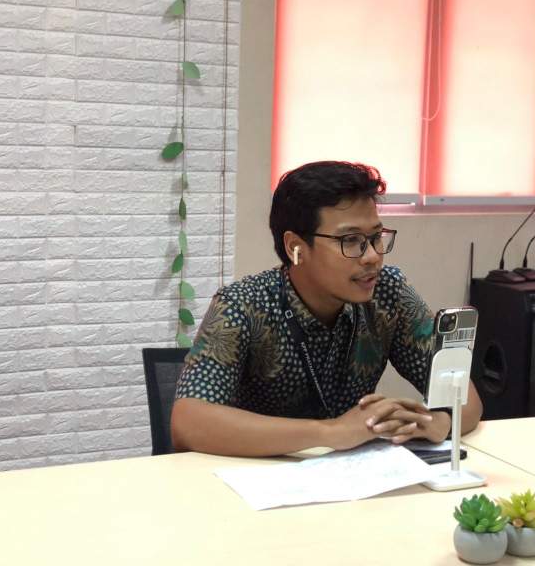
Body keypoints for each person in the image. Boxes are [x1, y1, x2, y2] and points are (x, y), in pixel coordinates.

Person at [171, 161, 482, 456]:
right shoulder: (243, 304)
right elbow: (188, 422)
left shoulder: (388, 292)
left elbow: (464, 395)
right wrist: (329, 433)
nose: (372, 256)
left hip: (356, 476)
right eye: (351, 240)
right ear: (295, 247)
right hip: (259, 475)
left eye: (376, 237)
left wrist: (440, 422)